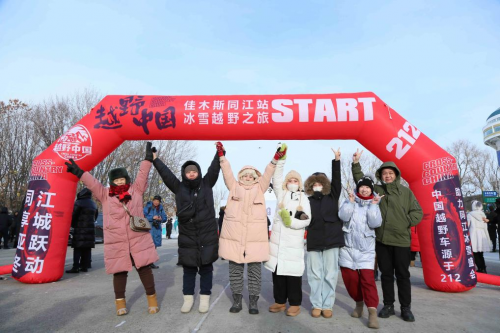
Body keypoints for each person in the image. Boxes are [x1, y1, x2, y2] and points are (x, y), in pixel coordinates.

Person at [65, 142, 159, 316]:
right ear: (111, 182)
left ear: (127, 180)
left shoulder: (136, 191)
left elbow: (142, 175)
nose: (119, 182)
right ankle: (120, 303)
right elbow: (93, 183)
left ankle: (152, 298)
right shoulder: (105, 195)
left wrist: (147, 160)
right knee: (119, 271)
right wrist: (79, 173)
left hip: (138, 238)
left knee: (144, 269)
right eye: (116, 180)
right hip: (117, 240)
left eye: (122, 179)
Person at [352, 149, 423, 322]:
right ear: (381, 176)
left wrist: (406, 221)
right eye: (385, 173)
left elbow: (417, 212)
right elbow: (361, 181)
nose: (388, 176)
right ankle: (388, 305)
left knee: (403, 275)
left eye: (391, 173)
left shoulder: (406, 192)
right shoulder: (376, 190)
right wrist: (355, 164)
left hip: (401, 241)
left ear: (396, 175)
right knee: (385, 274)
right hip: (382, 240)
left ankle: (406, 308)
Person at [152, 144, 220, 314]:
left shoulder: (206, 184)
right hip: (188, 235)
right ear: (184, 173)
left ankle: (205, 298)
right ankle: (188, 299)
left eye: (194, 171)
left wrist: (219, 154)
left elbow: (214, 169)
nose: (191, 173)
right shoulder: (179, 187)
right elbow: (166, 175)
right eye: (188, 171)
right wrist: (155, 160)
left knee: (206, 269)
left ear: (198, 172)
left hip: (206, 234)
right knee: (189, 269)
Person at [218, 141, 281, 315]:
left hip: (255, 240)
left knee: (255, 273)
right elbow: (227, 172)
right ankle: (237, 301)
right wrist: (222, 157)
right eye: (244, 175)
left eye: (250, 176)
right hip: (235, 239)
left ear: (255, 177)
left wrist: (274, 160)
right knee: (235, 272)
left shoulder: (260, 188)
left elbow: (268, 173)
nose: (247, 177)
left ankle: (253, 302)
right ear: (241, 177)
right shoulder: (234, 187)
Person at [264, 143, 311, 317]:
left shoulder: (303, 198)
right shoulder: (281, 194)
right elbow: (276, 177)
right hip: (278, 243)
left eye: (295, 180)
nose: (292, 182)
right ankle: (279, 301)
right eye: (290, 180)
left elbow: (306, 219)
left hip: (293, 242)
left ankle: (295, 303)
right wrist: (281, 159)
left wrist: (289, 221)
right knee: (278, 275)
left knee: (292, 275)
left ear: (299, 183)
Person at [304, 148, 343, 319]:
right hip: (314, 240)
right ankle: (316, 304)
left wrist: (336, 160)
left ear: (325, 185)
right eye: (314, 184)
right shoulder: (306, 200)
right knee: (314, 274)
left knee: (330, 274)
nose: (317, 186)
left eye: (320, 183)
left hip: (332, 240)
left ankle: (327, 305)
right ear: (311, 186)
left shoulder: (333, 196)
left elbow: (337, 181)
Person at [338, 175, 383, 329]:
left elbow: (375, 223)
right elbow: (343, 216)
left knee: (368, 281)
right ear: (358, 188)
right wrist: (350, 202)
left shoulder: (375, 203)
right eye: (362, 187)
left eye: (368, 187)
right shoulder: (349, 200)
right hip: (348, 248)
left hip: (366, 250)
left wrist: (374, 206)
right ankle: (359, 304)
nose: (364, 189)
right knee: (351, 281)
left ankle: (372, 312)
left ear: (371, 189)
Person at [65, 188, 98, 273]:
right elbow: (95, 216)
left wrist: (72, 224)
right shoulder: (93, 204)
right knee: (87, 248)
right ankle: (85, 266)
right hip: (90, 229)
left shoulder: (78, 203)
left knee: (77, 248)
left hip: (80, 228)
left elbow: (73, 215)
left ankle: (75, 267)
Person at [467, 200, 491, 273]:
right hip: (482, 233)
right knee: (480, 253)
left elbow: (467, 225)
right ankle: (483, 268)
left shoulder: (470, 214)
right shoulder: (483, 214)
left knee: (475, 252)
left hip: (474, 233)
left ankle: (480, 268)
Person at [144, 195, 167, 268]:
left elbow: (165, 218)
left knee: (154, 246)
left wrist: (161, 219)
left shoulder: (160, 208)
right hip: (149, 229)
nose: (156, 202)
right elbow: (142, 216)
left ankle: (151, 262)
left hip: (157, 229)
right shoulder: (148, 206)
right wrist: (152, 217)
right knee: (148, 246)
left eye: (158, 201)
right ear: (153, 200)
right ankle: (146, 262)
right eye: (155, 201)